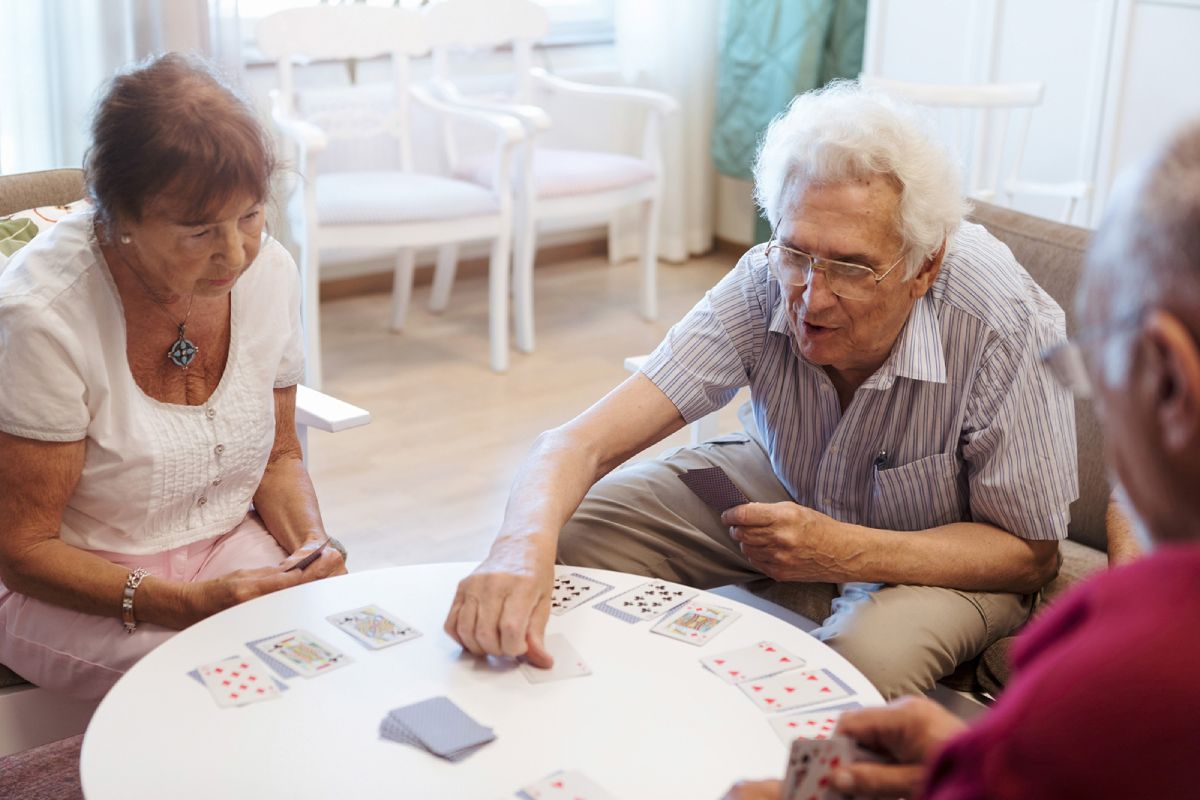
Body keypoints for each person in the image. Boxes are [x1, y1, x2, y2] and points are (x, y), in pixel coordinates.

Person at [445, 82, 1077, 698]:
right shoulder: (766, 278)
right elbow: (578, 443)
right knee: (568, 533)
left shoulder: (1004, 322)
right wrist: (515, 547)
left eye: (851, 267)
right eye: (797, 252)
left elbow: (1030, 554)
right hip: (785, 480)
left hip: (945, 542)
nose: (811, 296)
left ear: (924, 265)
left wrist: (846, 552)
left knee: (860, 664)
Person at [724, 117, 1200, 800]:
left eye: (1095, 367)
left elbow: (1036, 557)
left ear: (1170, 381)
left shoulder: (1122, 680)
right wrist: (970, 755)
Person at [0, 53, 346, 700]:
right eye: (197, 231)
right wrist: (177, 604)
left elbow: (277, 458)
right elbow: (24, 553)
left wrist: (311, 549)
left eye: (249, 215)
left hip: (224, 542)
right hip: (73, 582)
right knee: (222, 688)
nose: (237, 254)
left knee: (338, 651)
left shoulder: (267, 271)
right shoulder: (41, 316)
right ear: (118, 217)